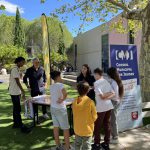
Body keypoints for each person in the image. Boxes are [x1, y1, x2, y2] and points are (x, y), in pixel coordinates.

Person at [92, 68, 115, 150]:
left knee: (97, 125)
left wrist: (104, 96)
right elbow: (113, 93)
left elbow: (101, 96)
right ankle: (106, 143)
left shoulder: (96, 83)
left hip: (101, 107)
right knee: (107, 124)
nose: (94, 76)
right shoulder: (106, 81)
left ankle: (97, 144)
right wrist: (107, 96)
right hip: (108, 106)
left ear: (97, 74)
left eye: (94, 74)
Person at [72, 81, 97, 150]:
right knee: (86, 147)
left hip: (77, 129)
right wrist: (90, 121)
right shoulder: (90, 102)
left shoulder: (74, 101)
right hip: (87, 129)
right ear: (88, 90)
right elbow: (95, 116)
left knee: (77, 145)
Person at [9, 57, 30, 133]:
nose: (23, 64)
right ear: (18, 62)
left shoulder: (16, 69)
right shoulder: (15, 69)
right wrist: (23, 91)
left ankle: (16, 123)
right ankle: (19, 124)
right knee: (17, 108)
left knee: (16, 108)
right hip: (14, 92)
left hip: (15, 92)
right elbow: (17, 81)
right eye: (22, 62)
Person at [50, 71, 70, 150]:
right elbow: (65, 94)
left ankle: (57, 145)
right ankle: (67, 147)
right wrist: (62, 99)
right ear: (58, 77)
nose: (61, 77)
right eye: (60, 76)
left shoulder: (51, 86)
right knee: (65, 128)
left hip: (53, 108)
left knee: (56, 127)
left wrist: (61, 99)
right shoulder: (61, 85)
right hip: (60, 109)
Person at [107, 67, 124, 144]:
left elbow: (115, 94)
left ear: (110, 74)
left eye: (108, 74)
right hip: (115, 102)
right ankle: (113, 135)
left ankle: (115, 137)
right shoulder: (116, 81)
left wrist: (106, 96)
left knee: (113, 120)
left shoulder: (114, 82)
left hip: (114, 102)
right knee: (112, 120)